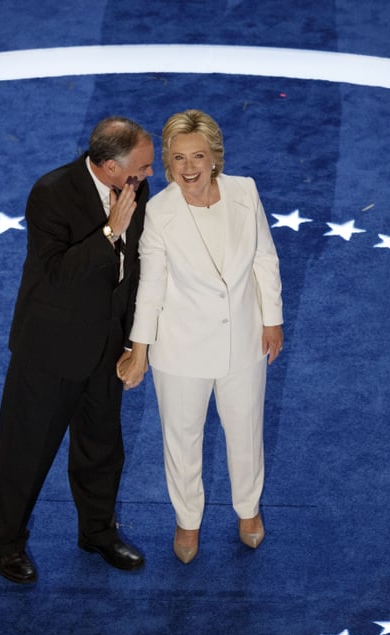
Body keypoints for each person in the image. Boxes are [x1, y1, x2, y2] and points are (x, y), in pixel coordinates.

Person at [0, 116, 154, 584]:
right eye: (141, 167)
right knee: (26, 452)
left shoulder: (135, 192)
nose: (149, 175)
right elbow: (57, 276)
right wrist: (107, 234)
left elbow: (136, 271)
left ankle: (98, 532)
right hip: (50, 353)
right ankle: (6, 544)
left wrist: (131, 341)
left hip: (106, 350)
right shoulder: (51, 193)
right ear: (109, 166)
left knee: (102, 449)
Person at [119, 109, 283, 564]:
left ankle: (248, 510)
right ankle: (187, 519)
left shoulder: (245, 192)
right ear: (168, 165)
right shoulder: (159, 212)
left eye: (197, 156)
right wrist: (140, 350)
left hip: (243, 342)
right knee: (183, 438)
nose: (188, 168)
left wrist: (272, 319)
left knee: (246, 432)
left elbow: (264, 259)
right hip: (181, 349)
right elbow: (149, 285)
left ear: (215, 159)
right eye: (177, 158)